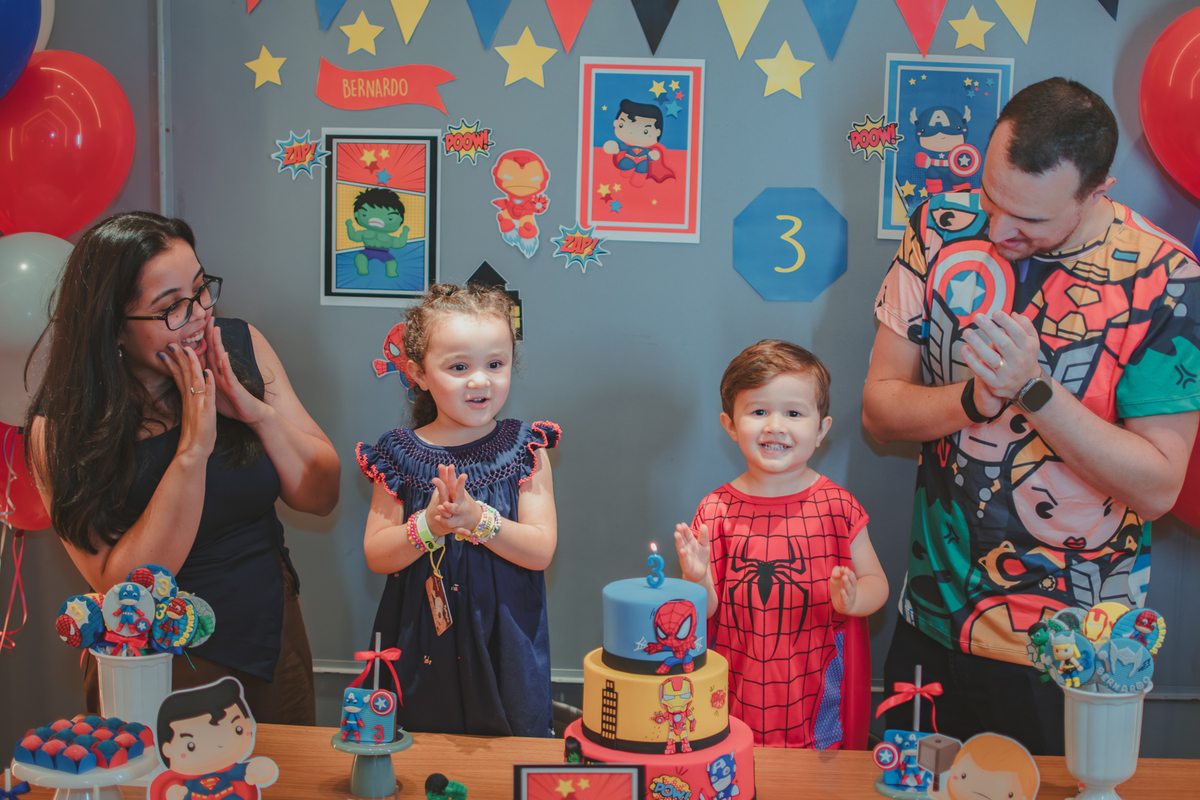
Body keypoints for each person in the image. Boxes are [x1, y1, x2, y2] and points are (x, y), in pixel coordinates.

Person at [863, 78, 1200, 754]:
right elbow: (879, 413)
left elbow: (1159, 485)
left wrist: (1034, 392)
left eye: (1031, 219)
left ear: (1097, 189)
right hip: (934, 621)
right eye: (991, 196)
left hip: (1074, 649)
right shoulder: (938, 228)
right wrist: (971, 399)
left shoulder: (1166, 279)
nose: (998, 229)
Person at [26, 212, 340, 724]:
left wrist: (256, 413)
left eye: (200, 290)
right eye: (170, 307)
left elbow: (322, 495)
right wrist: (193, 448)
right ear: (113, 328)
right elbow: (123, 582)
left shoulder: (240, 346)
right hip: (152, 661)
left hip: (268, 632)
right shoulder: (62, 427)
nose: (198, 315)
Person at [357, 283, 560, 737]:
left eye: (495, 364)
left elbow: (541, 548)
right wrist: (428, 526)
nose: (480, 380)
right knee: (424, 752)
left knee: (509, 759)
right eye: (458, 366)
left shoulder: (526, 448)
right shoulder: (397, 454)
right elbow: (377, 553)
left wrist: (477, 521)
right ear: (419, 373)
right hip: (421, 642)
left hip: (505, 641)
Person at [673, 340, 888, 748]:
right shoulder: (715, 510)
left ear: (821, 428)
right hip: (736, 690)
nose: (775, 425)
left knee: (817, 779)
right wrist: (696, 578)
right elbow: (707, 610)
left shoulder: (838, 507)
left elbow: (877, 580)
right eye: (758, 412)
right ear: (731, 425)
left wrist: (854, 600)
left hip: (819, 688)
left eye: (793, 412)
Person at [151, 677, 278, 800]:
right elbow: (165, 789)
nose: (221, 745)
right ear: (167, 749)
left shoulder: (230, 771)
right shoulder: (185, 780)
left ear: (248, 725)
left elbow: (250, 771)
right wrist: (173, 793)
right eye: (191, 745)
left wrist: (259, 770)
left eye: (237, 729)